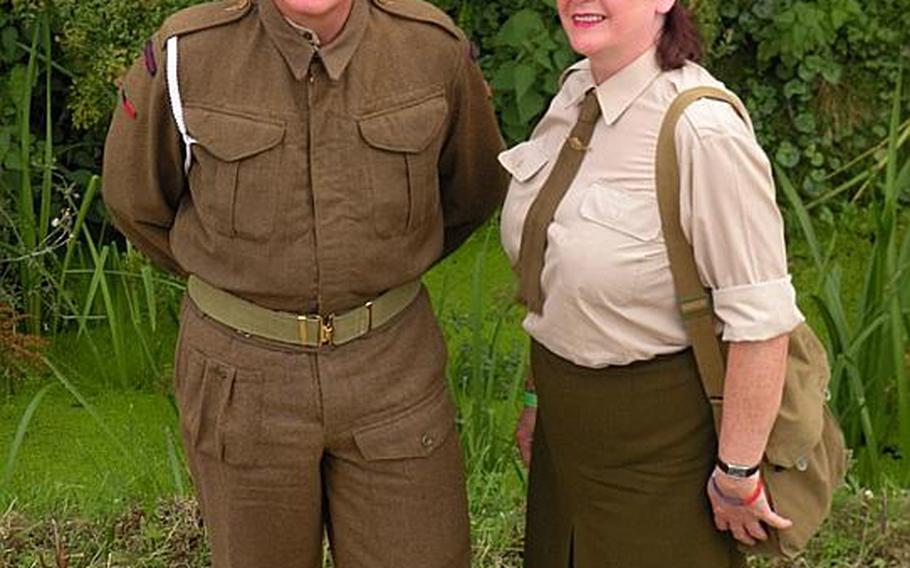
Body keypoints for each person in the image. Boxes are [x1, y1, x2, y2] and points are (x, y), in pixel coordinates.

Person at [101, 0, 507, 566]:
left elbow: (473, 189)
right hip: (242, 382)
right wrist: (242, 284)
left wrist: (381, 272)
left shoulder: (430, 48)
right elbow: (136, 201)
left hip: (392, 371)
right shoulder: (187, 53)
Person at [499, 1, 804, 566]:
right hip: (565, 439)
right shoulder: (575, 94)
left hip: (660, 451)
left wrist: (738, 474)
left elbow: (761, 323)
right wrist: (539, 400)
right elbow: (558, 274)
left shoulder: (701, 129)